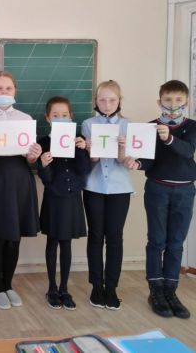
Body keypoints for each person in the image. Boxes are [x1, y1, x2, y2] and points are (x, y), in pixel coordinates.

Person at [125, 80, 195, 319]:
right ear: (159, 101)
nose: (173, 104)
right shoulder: (149, 128)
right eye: (168, 100)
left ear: (187, 102)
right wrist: (136, 163)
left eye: (178, 100)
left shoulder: (192, 126)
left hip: (185, 191)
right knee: (157, 241)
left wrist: (169, 139)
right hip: (157, 189)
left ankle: (171, 291)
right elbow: (148, 160)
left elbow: (188, 151)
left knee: (176, 242)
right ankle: (156, 290)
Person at [0, 71, 42, 310]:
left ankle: (9, 284)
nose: (4, 92)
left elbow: (29, 157)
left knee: (14, 237)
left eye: (8, 88)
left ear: (15, 91)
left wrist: (33, 156)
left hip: (20, 180)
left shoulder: (25, 118)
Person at [81, 80, 132, 310]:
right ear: (96, 101)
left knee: (114, 238)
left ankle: (111, 288)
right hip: (94, 187)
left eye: (112, 100)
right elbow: (90, 161)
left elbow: (127, 161)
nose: (107, 104)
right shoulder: (88, 124)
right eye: (102, 100)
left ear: (120, 101)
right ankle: (96, 286)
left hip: (120, 188)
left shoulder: (128, 125)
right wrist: (90, 149)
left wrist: (122, 149)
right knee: (95, 236)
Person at [37, 96, 90, 310]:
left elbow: (84, 171)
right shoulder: (43, 142)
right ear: (48, 118)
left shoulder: (78, 140)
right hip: (53, 197)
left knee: (66, 244)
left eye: (65, 115)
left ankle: (64, 288)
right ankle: (52, 288)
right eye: (55, 115)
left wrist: (83, 149)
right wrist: (44, 164)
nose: (60, 118)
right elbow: (46, 178)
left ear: (71, 117)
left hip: (72, 197)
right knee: (52, 242)